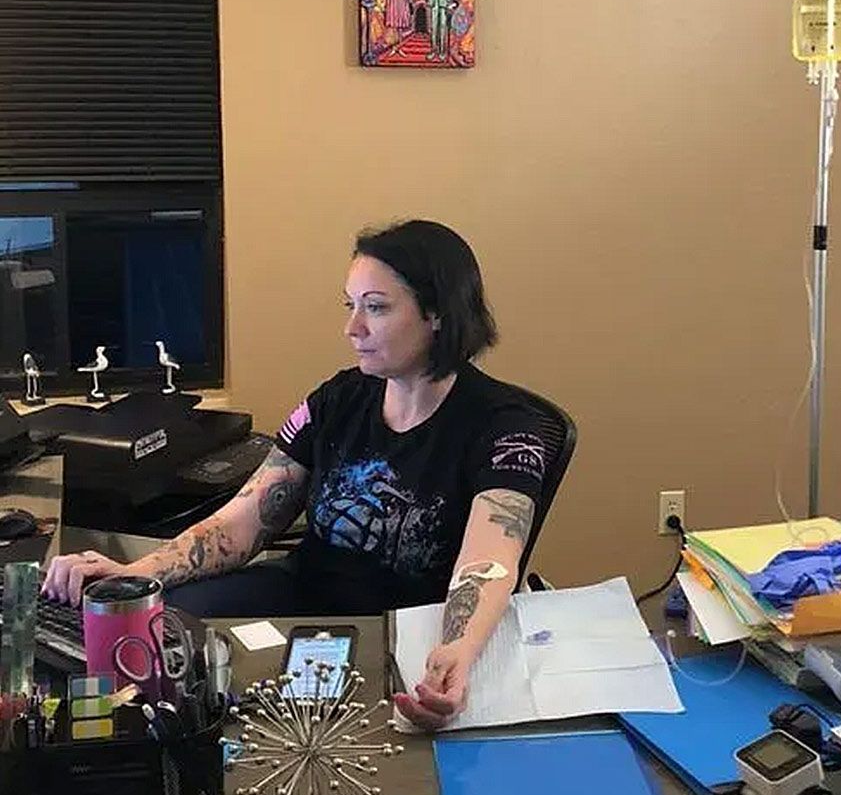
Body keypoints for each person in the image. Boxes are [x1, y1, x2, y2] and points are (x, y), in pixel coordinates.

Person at [42, 220, 548, 730]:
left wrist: (456, 652)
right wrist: (135, 573)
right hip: (306, 593)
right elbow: (243, 522)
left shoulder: (508, 427)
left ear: (438, 313)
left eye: (376, 307)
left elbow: (488, 562)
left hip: (404, 625)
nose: (353, 329)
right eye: (349, 306)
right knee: (159, 626)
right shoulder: (337, 398)